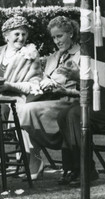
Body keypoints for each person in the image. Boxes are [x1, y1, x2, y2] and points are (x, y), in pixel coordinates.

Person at [17, 16, 81, 180]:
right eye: (53, 37)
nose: (56, 41)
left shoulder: (82, 55)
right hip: (50, 100)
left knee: (26, 109)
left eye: (60, 36)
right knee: (19, 106)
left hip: (71, 102)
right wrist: (40, 83)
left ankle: (35, 158)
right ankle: (35, 158)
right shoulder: (53, 57)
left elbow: (83, 85)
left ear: (71, 33)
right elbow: (43, 77)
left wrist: (57, 87)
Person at [0, 15, 43, 160]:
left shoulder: (30, 55)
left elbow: (34, 85)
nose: (21, 38)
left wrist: (9, 85)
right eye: (16, 34)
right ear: (6, 36)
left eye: (24, 34)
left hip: (12, 99)